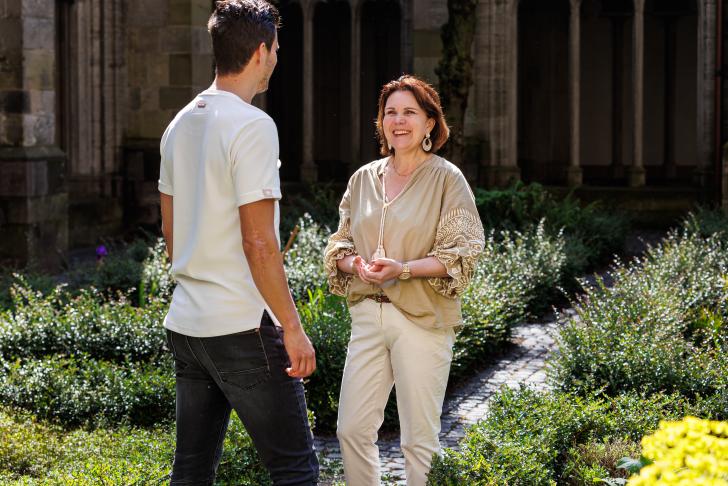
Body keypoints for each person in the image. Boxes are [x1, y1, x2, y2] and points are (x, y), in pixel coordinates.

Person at [158, 1, 318, 484]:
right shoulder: (252, 125)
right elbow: (260, 242)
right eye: (275, 51)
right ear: (262, 52)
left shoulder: (179, 123)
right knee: (295, 471)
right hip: (242, 327)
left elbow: (170, 232)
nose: (275, 60)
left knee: (191, 470)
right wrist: (292, 328)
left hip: (187, 324)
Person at [324, 75, 485, 486]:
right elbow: (339, 245)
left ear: (430, 122)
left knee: (418, 440)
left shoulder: (447, 179)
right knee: (351, 429)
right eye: (390, 112)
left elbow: (462, 252)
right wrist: (355, 265)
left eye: (410, 112)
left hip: (422, 319)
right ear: (380, 122)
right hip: (367, 317)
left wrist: (404, 269)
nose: (399, 120)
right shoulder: (363, 179)